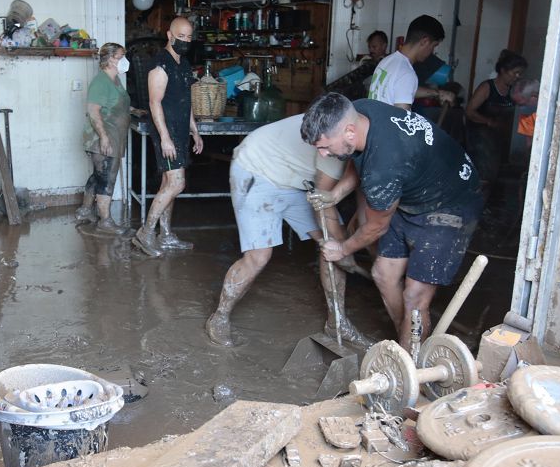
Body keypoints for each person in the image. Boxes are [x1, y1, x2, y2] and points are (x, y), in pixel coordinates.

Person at [302, 93, 483, 348]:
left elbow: (376, 227)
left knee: (415, 297)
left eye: (324, 146)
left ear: (350, 132)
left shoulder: (383, 168)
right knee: (383, 273)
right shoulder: (360, 110)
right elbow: (357, 157)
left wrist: (341, 249)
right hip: (415, 193)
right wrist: (335, 194)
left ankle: (410, 369)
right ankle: (409, 342)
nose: (322, 155)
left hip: (452, 204)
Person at [204, 114, 370, 347]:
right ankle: (220, 316)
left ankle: (337, 322)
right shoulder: (335, 144)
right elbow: (327, 206)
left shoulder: (362, 141)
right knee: (259, 255)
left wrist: (342, 249)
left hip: (296, 178)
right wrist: (345, 250)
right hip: (257, 167)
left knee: (332, 244)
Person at [131, 17, 204, 258]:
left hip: (181, 130)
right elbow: (154, 102)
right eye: (180, 36)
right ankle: (146, 233)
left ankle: (166, 235)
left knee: (168, 185)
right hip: (167, 132)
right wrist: (164, 138)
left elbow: (186, 101)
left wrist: (194, 130)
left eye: (189, 38)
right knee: (176, 183)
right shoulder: (159, 65)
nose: (185, 41)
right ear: (169, 35)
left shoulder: (183, 63)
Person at [76, 43, 131, 235]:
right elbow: (93, 111)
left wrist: (132, 111)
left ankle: (84, 210)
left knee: (98, 176)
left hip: (113, 135)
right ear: (110, 59)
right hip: (102, 138)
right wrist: (104, 138)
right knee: (107, 178)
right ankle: (105, 221)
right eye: (121, 56)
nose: (124, 60)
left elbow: (114, 104)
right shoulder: (101, 81)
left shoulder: (115, 80)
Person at [465, 50, 527, 190]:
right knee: (483, 175)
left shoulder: (514, 91)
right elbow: (469, 111)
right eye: (515, 72)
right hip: (480, 139)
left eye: (520, 73)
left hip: (500, 138)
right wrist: (488, 121)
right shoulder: (487, 87)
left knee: (498, 175)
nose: (517, 76)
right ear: (503, 70)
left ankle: (488, 205)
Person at [368, 15, 454, 110]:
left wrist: (437, 93)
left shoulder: (387, 61)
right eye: (434, 46)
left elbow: (402, 89)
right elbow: (401, 120)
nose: (432, 51)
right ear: (425, 42)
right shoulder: (406, 73)